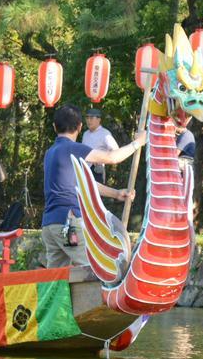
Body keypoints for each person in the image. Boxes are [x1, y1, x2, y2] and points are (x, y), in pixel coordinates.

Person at [41, 106, 145, 268]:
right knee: (94, 269)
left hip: (50, 225)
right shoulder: (73, 149)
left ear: (54, 127)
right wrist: (137, 143)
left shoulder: (50, 153)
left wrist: (116, 193)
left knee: (54, 280)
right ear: (80, 127)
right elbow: (112, 157)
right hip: (69, 227)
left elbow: (85, 182)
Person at [81, 108, 120, 183]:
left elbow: (116, 150)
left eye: (91, 118)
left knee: (97, 194)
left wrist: (102, 159)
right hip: (84, 169)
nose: (89, 120)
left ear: (99, 119)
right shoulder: (85, 134)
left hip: (96, 170)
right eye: (87, 118)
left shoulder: (105, 133)